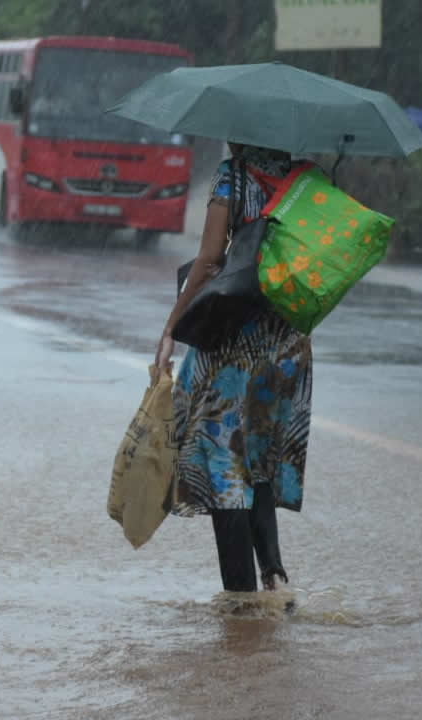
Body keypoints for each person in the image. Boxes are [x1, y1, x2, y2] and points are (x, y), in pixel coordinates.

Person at [154, 143, 314, 595]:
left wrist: (171, 327)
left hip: (235, 344)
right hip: (288, 345)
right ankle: (275, 578)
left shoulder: (233, 177)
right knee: (259, 460)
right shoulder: (307, 180)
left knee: (225, 465)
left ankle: (241, 606)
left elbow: (208, 262)